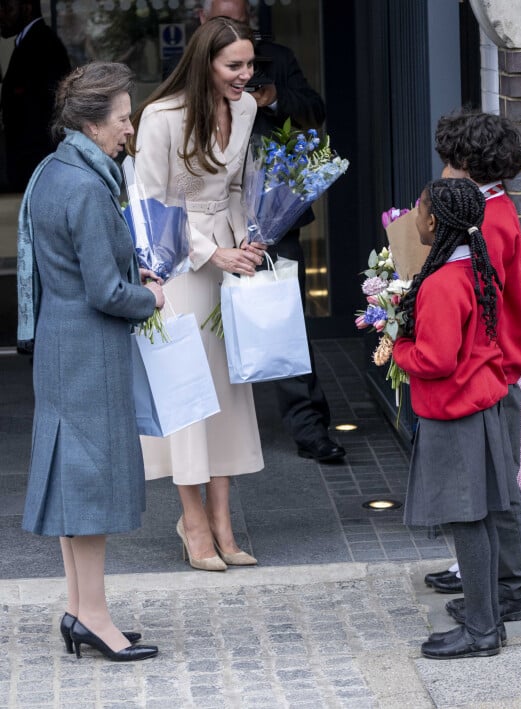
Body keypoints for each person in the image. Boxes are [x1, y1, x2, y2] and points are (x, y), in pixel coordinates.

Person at [17, 61, 164, 661]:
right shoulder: (86, 185)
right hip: (91, 351)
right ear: (92, 123)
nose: (130, 129)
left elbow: (77, 271)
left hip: (60, 344)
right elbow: (106, 293)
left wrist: (130, 274)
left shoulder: (52, 171)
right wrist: (150, 295)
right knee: (90, 487)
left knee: (74, 482)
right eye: (124, 119)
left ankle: (80, 610)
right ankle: (94, 615)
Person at [128, 17, 267, 572]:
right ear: (205, 62)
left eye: (250, 65)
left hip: (228, 265)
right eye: (234, 66)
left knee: (229, 392)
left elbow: (235, 190)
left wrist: (249, 242)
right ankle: (193, 523)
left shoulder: (249, 109)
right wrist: (211, 253)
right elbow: (152, 203)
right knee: (187, 395)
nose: (245, 75)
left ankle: (224, 523)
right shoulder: (160, 117)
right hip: (178, 265)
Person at [200, 0, 346, 464]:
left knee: (286, 318)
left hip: (270, 213)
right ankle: (204, 425)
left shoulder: (276, 59)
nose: (235, 29)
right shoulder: (195, 65)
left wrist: (272, 98)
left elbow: (313, 110)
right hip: (208, 216)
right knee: (201, 320)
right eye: (225, 20)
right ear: (203, 23)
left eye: (242, 21)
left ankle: (308, 426)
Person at [423, 111, 521, 627]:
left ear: (467, 164)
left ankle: (511, 590)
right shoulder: (492, 207)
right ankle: (498, 586)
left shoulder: (486, 220)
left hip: (492, 369)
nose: (444, 171)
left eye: (451, 161)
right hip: (497, 365)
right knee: (497, 484)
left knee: (498, 489)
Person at [393, 177, 514, 659]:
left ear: (434, 222)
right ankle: (488, 622)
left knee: (466, 522)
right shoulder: (474, 269)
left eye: (420, 210)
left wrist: (399, 349)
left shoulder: (443, 282)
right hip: (479, 405)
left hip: (455, 413)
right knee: (479, 519)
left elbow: (436, 359)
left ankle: (481, 632)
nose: (415, 218)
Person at [0, 0, 71, 191]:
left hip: (38, 165)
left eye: (7, 8)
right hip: (31, 165)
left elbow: (51, 110)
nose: (2, 15)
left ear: (27, 7)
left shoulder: (44, 45)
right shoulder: (29, 42)